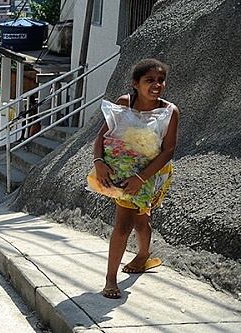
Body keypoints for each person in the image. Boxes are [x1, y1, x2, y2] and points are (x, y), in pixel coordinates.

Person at [92, 59, 180, 299]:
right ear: (135, 83)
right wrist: (98, 163)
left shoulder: (170, 111)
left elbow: (168, 150)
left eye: (160, 80)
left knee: (135, 219)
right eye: (149, 80)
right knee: (129, 219)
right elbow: (102, 136)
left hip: (153, 173)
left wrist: (142, 178)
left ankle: (130, 265)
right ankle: (124, 268)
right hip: (122, 171)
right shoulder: (124, 104)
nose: (157, 85)